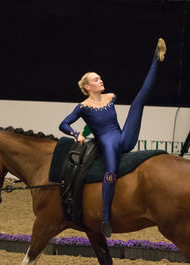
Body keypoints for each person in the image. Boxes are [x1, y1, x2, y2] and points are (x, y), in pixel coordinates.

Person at [59, 38, 166, 237]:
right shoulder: (83, 107)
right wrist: (76, 134)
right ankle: (106, 219)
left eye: (100, 78)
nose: (101, 81)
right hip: (106, 142)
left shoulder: (111, 97)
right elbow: (63, 124)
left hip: (123, 138)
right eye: (96, 80)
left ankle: (156, 59)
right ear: (87, 86)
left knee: (138, 102)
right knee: (111, 172)